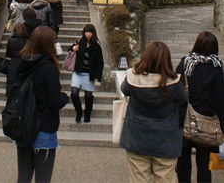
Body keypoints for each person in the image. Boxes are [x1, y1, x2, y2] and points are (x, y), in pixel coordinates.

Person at [120, 41, 188, 183]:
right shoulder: (174, 83)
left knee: (138, 179)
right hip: (166, 140)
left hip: (137, 137)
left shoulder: (133, 78)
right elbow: (183, 99)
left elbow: (124, 89)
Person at [15, 26, 68, 183]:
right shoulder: (48, 68)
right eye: (54, 41)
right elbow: (54, 101)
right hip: (43, 127)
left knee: (23, 178)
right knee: (43, 179)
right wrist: (65, 97)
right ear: (47, 44)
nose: (55, 44)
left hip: (24, 124)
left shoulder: (23, 64)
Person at [176, 31, 224, 183]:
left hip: (184, 118)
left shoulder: (185, 63)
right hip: (207, 120)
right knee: (204, 164)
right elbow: (220, 100)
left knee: (183, 160)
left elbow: (176, 90)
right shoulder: (216, 68)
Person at [69, 24, 104, 124]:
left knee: (88, 96)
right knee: (74, 93)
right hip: (78, 72)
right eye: (86, 31)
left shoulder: (96, 47)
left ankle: (87, 114)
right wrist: (73, 49)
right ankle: (79, 112)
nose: (88, 34)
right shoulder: (79, 42)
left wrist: (98, 75)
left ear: (93, 33)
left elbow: (100, 62)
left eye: (90, 32)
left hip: (89, 74)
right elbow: (69, 50)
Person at [4, 22, 28, 96]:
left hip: (13, 65)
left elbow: (8, 54)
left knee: (12, 84)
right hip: (25, 64)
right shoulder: (28, 40)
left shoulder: (11, 40)